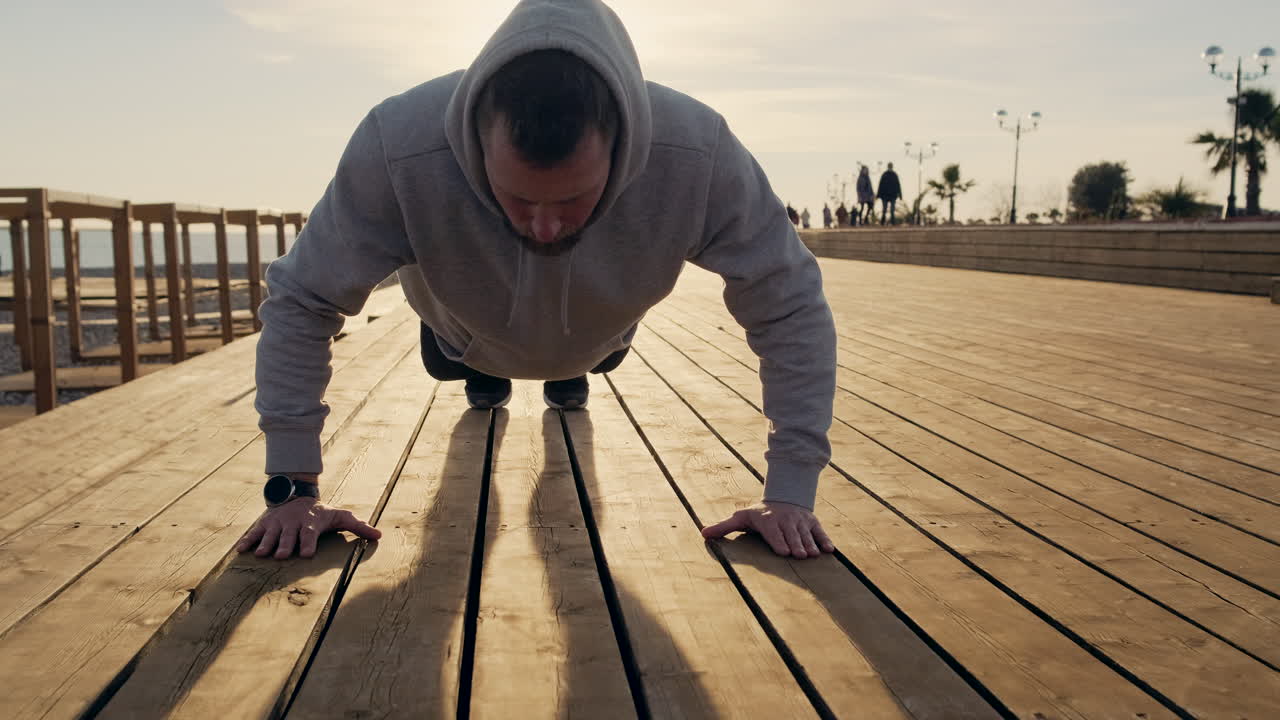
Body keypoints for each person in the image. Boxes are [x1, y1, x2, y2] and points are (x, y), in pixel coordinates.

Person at [236, 0, 838, 564]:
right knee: (464, 402)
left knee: (574, 368)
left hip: (598, 334)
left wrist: (790, 491)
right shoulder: (398, 145)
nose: (546, 228)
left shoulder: (697, 152)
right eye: (518, 198)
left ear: (623, 147)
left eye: (573, 199)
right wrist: (293, 486)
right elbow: (303, 299)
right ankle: (488, 364)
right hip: (462, 329)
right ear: (476, 142)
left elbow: (789, 306)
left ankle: (565, 366)